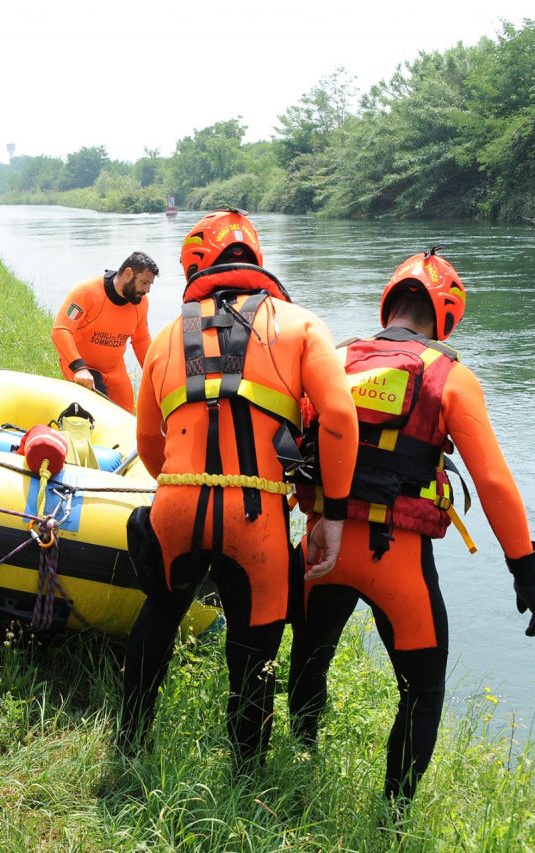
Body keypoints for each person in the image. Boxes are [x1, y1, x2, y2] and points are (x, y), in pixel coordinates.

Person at [287, 247, 535, 811]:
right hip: (396, 562)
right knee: (422, 692)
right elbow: (496, 484)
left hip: (321, 551)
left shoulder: (330, 360)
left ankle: (301, 759)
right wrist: (525, 571)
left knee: (310, 658)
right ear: (446, 314)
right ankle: (393, 817)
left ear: (389, 302)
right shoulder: (450, 377)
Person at [120, 210, 359, 765]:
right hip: (256, 512)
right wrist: (334, 514)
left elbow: (149, 444)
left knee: (158, 614)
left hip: (175, 498)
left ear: (196, 267)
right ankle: (246, 767)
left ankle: (131, 743)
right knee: (254, 647)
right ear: (257, 259)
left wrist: (182, 491)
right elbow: (341, 421)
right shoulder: (300, 324)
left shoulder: (162, 338)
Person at [51, 251, 158, 412]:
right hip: (83, 368)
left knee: (127, 416)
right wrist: (79, 368)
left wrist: (157, 375)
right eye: (144, 283)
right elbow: (61, 330)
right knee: (99, 412)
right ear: (128, 274)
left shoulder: (141, 303)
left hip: (115, 370)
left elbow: (141, 340)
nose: (148, 289)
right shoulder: (88, 292)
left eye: (150, 284)